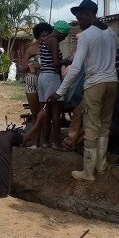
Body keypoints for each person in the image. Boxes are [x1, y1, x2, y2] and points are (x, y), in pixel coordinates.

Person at [49, 0, 118, 182]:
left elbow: (76, 67)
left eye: (80, 17)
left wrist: (60, 92)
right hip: (112, 83)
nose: (79, 22)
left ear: (89, 14)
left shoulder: (87, 36)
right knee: (105, 124)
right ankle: (101, 165)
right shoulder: (111, 33)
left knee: (91, 127)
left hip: (95, 84)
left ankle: (88, 172)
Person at [38, 20, 71, 149]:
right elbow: (56, 63)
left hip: (42, 77)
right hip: (51, 77)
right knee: (56, 113)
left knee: (45, 111)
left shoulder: (44, 40)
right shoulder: (54, 41)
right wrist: (67, 60)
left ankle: (45, 141)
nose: (64, 38)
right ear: (60, 32)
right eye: (64, 35)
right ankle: (57, 143)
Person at [20, 22, 53, 133]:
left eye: (47, 36)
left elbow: (55, 65)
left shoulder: (52, 48)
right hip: (32, 81)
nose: (44, 38)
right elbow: (22, 69)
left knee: (45, 113)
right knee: (35, 114)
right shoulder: (31, 50)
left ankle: (45, 138)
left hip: (46, 81)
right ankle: (36, 140)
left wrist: (41, 66)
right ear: (37, 36)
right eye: (42, 36)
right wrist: (29, 66)